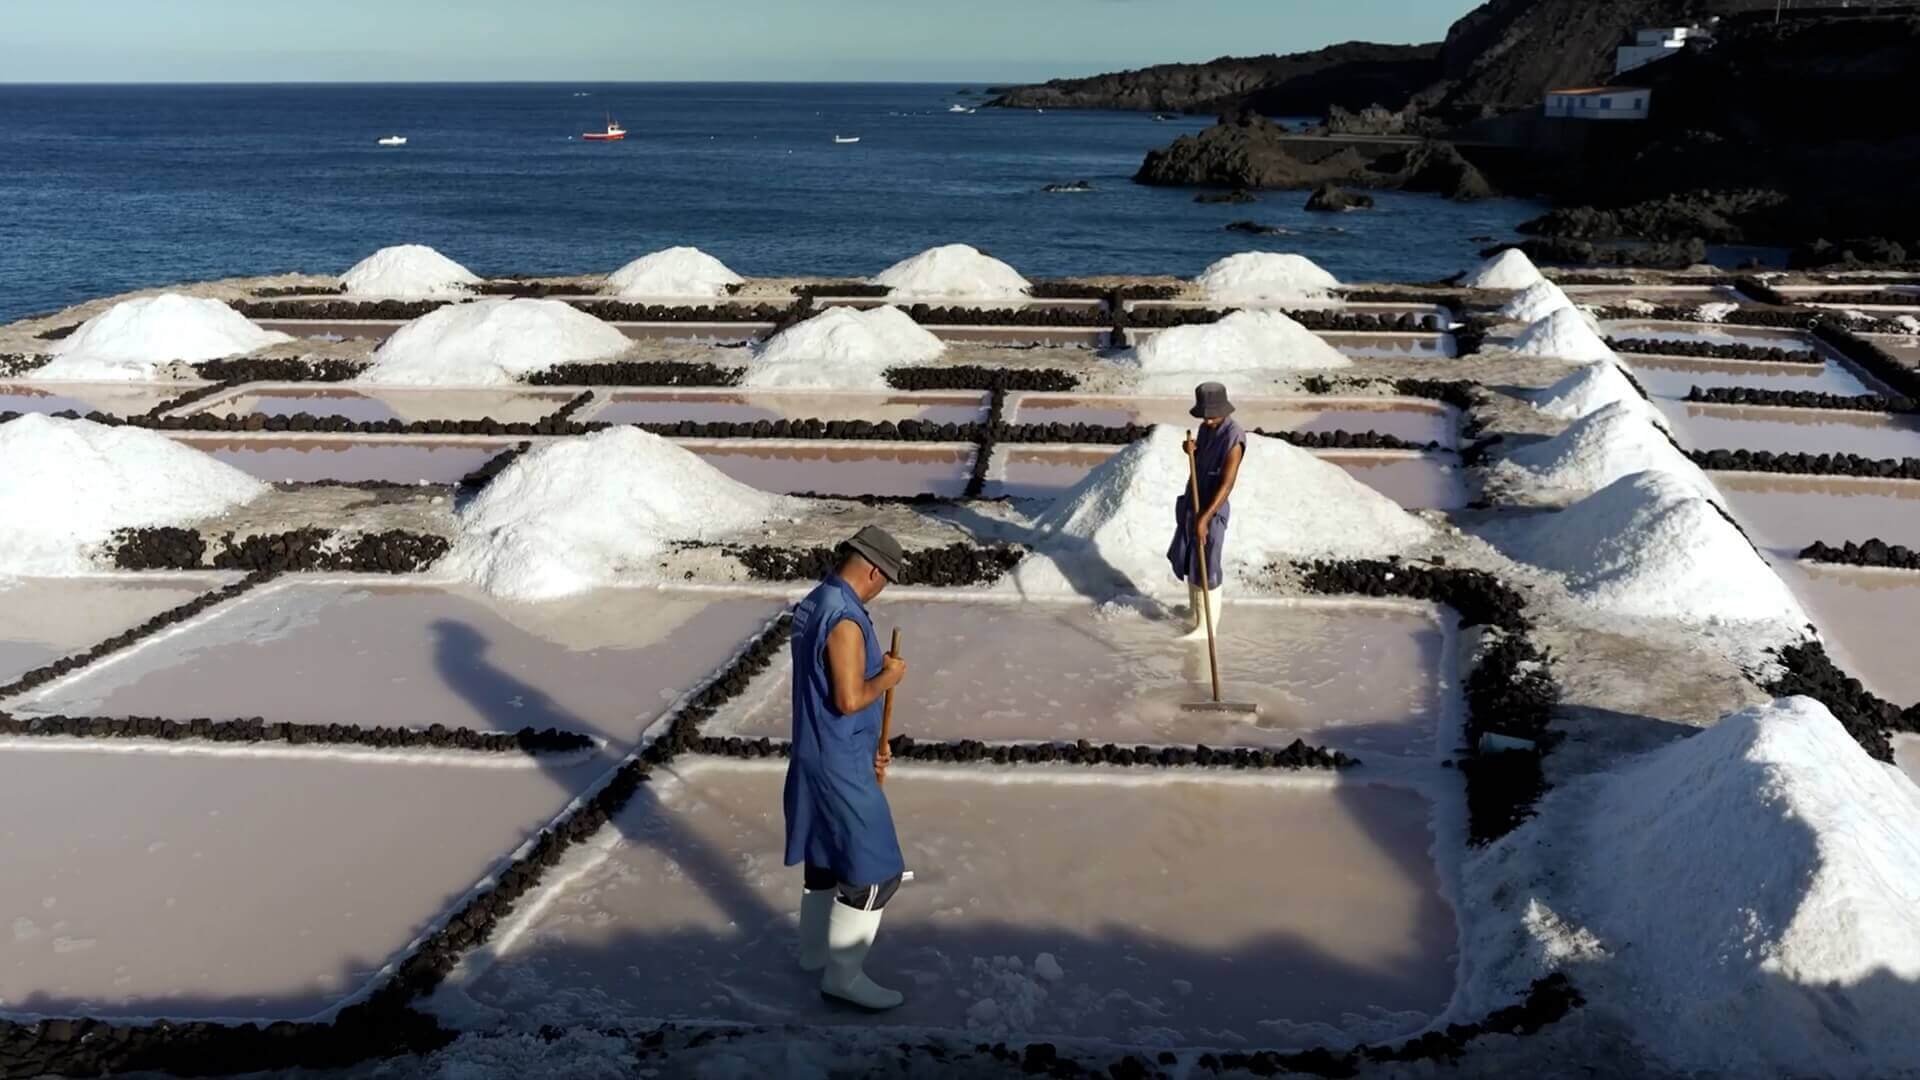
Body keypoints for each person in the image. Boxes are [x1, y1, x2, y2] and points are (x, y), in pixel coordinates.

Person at [784, 524, 910, 1010]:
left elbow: (822, 695)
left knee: (824, 860)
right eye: (886, 580)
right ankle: (843, 975)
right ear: (874, 571)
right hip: (838, 767)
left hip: (819, 753)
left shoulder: (815, 602)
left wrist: (870, 747)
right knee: (878, 872)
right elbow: (850, 696)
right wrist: (889, 676)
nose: (881, 591)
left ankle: (813, 955)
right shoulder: (844, 620)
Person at [1167, 382, 1246, 639]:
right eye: (1205, 416)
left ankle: (1207, 627)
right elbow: (1202, 458)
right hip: (1194, 499)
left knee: (1208, 562)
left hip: (1213, 506)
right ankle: (1195, 612)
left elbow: (1227, 483)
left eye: (1212, 416)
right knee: (1190, 555)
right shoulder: (1205, 428)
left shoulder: (1234, 437)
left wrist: (1205, 517)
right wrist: (1191, 451)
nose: (1208, 420)